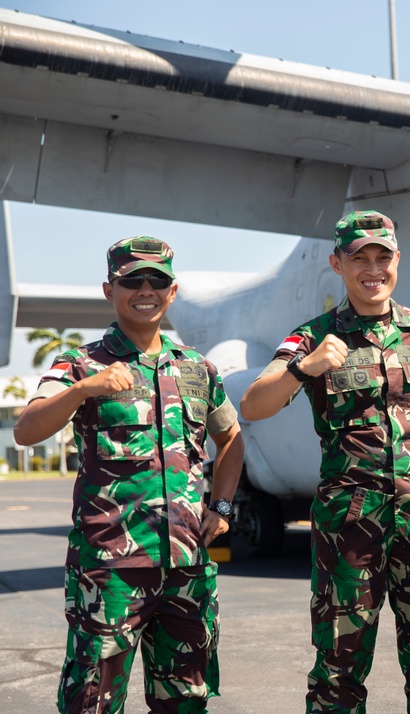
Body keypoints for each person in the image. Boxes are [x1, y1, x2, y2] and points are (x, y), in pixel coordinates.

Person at [239, 209, 410, 714]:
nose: (373, 269)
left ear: (398, 261)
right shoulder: (313, 336)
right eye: (359, 258)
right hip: (349, 527)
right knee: (338, 668)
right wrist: (304, 369)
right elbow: (253, 405)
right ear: (337, 264)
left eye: (383, 257)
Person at [14, 236, 244, 713]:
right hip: (110, 569)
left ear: (172, 291)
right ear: (109, 289)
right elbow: (26, 430)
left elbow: (231, 438)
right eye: (131, 280)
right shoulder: (79, 364)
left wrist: (220, 508)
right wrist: (82, 390)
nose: (145, 289)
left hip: (187, 570)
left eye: (157, 280)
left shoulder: (197, 369)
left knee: (186, 699)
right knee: (92, 702)